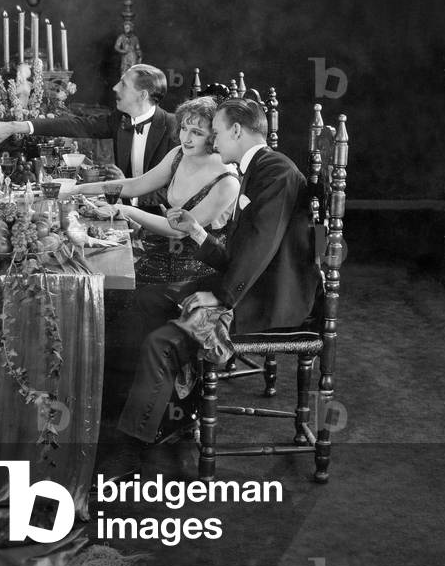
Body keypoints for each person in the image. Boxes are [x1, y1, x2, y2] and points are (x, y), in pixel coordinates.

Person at [113, 97, 321, 458]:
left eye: (218, 132)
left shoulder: (276, 173)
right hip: (249, 282)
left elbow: (261, 248)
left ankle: (138, 443)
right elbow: (240, 251)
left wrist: (222, 297)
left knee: (160, 342)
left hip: (269, 298)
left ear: (237, 130)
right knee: (146, 299)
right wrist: (195, 230)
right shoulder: (258, 167)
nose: (214, 140)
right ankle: (172, 408)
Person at [77, 95, 239, 285]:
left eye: (196, 132)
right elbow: (135, 186)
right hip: (159, 250)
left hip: (193, 273)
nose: (185, 138)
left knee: (104, 283)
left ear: (214, 136)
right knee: (91, 265)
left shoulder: (227, 181)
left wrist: (125, 210)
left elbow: (180, 231)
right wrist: (77, 189)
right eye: (184, 129)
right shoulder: (178, 154)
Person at [0, 64, 179, 206]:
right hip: (121, 211)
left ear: (143, 95)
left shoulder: (174, 128)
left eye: (124, 84)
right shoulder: (121, 119)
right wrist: (15, 126)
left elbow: (177, 192)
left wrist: (128, 191)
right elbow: (75, 125)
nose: (115, 88)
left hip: (163, 228)